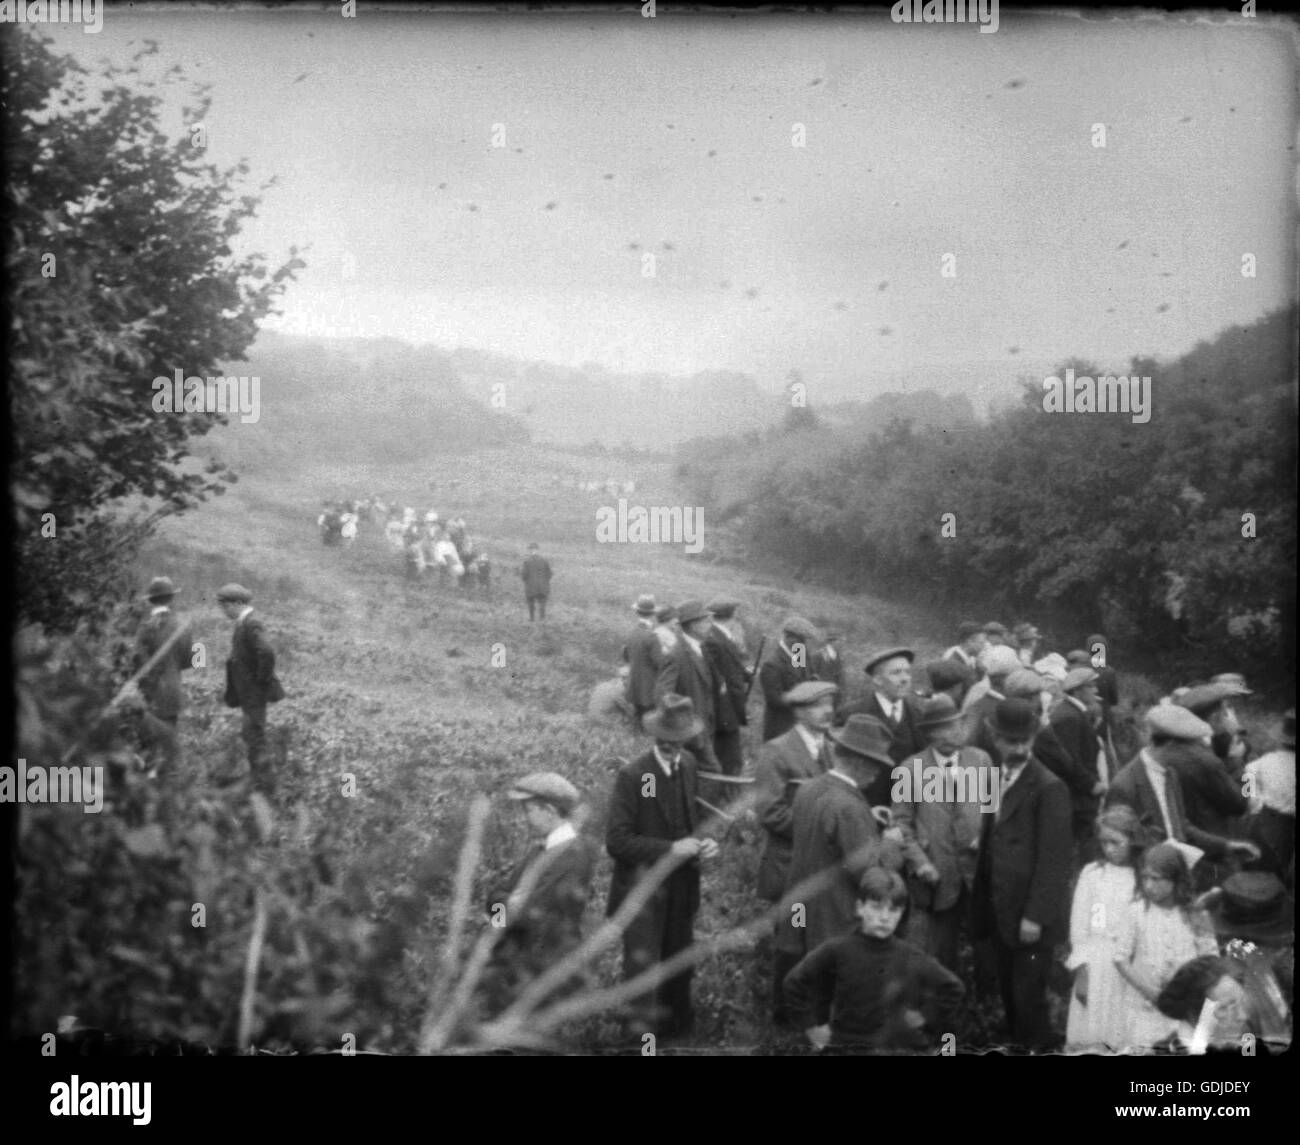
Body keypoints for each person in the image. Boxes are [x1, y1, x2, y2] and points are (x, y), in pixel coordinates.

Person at [605, 695, 719, 1039]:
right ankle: (637, 1042)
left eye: (678, 741)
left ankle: (675, 1037)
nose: (671, 748)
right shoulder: (635, 775)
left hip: (682, 888)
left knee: (678, 965)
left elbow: (689, 823)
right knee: (641, 975)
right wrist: (671, 848)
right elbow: (618, 842)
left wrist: (703, 844)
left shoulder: (687, 765)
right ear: (655, 736)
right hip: (642, 892)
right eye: (665, 741)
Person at [969, 698, 1073, 1050]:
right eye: (1011, 741)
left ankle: (1038, 1048)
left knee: (1029, 998)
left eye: (1025, 741)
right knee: (1010, 993)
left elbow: (1055, 861)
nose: (1018, 748)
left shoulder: (1049, 787)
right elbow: (990, 838)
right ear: (995, 738)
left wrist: (1035, 916)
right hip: (1000, 907)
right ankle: (1017, 1044)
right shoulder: (994, 777)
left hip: (1028, 916)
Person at [783, 866, 964, 1053]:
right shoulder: (836, 949)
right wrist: (812, 1028)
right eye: (876, 908)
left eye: (893, 910)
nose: (884, 917)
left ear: (901, 913)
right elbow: (794, 982)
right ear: (860, 908)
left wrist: (925, 1016)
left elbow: (953, 987)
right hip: (848, 1045)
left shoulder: (910, 955)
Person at [774, 715, 899, 973]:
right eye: (875, 765)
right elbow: (867, 874)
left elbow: (823, 830)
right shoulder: (850, 807)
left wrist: (866, 818)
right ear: (858, 762)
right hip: (833, 919)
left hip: (799, 911)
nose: (877, 775)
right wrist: (889, 844)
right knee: (831, 993)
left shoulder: (808, 789)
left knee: (798, 979)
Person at [479, 772, 598, 1019]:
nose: (526, 818)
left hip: (544, 972)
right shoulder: (542, 848)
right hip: (522, 964)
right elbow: (496, 897)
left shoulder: (572, 856)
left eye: (530, 810)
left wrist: (502, 909)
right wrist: (501, 912)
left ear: (549, 810)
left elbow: (528, 915)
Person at [753, 680, 838, 1023]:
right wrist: (820, 833)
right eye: (820, 705)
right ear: (801, 712)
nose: (829, 711)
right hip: (791, 866)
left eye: (831, 703)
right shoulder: (777, 751)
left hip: (822, 866)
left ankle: (813, 1010)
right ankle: (786, 1013)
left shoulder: (830, 748)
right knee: (792, 940)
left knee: (818, 937)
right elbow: (770, 812)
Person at [891, 694, 991, 973]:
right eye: (948, 726)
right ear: (931, 734)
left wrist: (983, 837)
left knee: (984, 943)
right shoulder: (909, 769)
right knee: (939, 949)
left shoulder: (981, 759)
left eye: (960, 724)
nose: (959, 731)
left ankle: (984, 1003)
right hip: (937, 874)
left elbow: (995, 811)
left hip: (977, 871)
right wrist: (920, 862)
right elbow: (900, 824)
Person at [1106, 704, 1260, 881]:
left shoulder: (1169, 773)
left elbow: (1180, 826)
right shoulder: (1125, 785)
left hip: (1177, 870)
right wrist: (1247, 772)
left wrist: (1226, 845)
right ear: (1172, 745)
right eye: (1194, 747)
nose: (1200, 753)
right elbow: (1243, 803)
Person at [1114, 842, 1219, 1050]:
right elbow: (1120, 958)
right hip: (1145, 1008)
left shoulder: (1195, 914)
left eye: (1156, 879)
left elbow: (1211, 959)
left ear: (1175, 879)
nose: (1149, 886)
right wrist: (1150, 991)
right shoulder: (1136, 912)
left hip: (1184, 1009)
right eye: (1144, 878)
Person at [1065, 804, 1145, 1051]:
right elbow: (1083, 927)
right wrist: (1082, 972)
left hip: (1130, 967)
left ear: (1132, 840)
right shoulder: (1094, 875)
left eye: (1116, 842)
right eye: (1104, 842)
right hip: (1098, 963)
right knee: (1093, 1032)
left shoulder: (1142, 878)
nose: (1109, 849)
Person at [837, 646, 924, 809]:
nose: (905, 679)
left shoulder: (919, 714)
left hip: (907, 810)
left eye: (907, 672)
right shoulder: (852, 714)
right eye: (896, 673)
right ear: (877, 680)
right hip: (865, 808)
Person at [217, 583, 284, 791]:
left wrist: (260, 681)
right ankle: (259, 780)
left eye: (225, 606)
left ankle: (266, 785)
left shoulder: (251, 623)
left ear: (237, 604)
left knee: (255, 737)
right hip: (249, 693)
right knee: (251, 735)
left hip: (254, 693)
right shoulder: (244, 623)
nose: (223, 611)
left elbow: (267, 652)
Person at [132, 576, 193, 776]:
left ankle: (151, 781)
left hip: (149, 693)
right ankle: (167, 783)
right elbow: (189, 661)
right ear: (171, 599)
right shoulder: (183, 626)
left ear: (151, 600)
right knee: (169, 740)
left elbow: (137, 662)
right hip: (173, 690)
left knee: (148, 742)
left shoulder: (144, 628)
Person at [1050, 666, 1109, 861]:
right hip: (1078, 794)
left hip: (1079, 792)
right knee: (1086, 842)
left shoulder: (1072, 712)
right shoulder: (1069, 717)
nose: (1096, 690)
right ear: (1077, 690)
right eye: (1091, 686)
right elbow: (1069, 761)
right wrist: (1092, 785)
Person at [655, 601, 722, 771]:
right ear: (693, 626)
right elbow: (663, 694)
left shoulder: (700, 648)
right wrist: (680, 726)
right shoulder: (677, 654)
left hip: (704, 725)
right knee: (712, 771)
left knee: (693, 774)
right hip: (689, 730)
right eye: (706, 621)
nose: (711, 625)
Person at [1243, 709, 1295, 878]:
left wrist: (1254, 802)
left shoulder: (1263, 762)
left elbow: (1248, 773)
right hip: (1284, 825)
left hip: (1264, 820)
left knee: (1259, 871)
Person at [703, 599, 750, 778]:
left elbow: (726, 666)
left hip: (728, 703)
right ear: (732, 616)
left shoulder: (721, 636)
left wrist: (744, 673)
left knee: (728, 751)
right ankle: (728, 789)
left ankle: (725, 786)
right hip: (724, 705)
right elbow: (715, 672)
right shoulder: (715, 639)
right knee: (729, 753)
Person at [759, 616, 821, 742]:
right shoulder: (772, 664)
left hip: (800, 724)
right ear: (787, 637)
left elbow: (806, 675)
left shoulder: (799, 652)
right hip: (781, 725)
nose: (803, 644)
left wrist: (815, 684)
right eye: (800, 639)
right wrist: (803, 698)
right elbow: (774, 699)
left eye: (804, 640)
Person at [623, 594, 662, 729]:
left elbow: (625, 656)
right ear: (653, 614)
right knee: (649, 719)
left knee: (638, 717)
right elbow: (660, 663)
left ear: (637, 612)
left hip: (634, 682)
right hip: (649, 685)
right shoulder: (652, 636)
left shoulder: (631, 631)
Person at [520, 542, 552, 621]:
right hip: (543, 587)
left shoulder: (527, 561)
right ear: (538, 550)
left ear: (530, 550)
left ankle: (532, 619)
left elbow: (524, 575)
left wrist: (526, 581)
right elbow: (549, 574)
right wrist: (545, 581)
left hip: (531, 587)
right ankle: (542, 620)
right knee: (542, 604)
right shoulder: (544, 561)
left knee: (531, 603)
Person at [811, 628, 845, 693]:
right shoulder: (818, 655)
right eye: (840, 640)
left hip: (835, 693)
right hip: (821, 693)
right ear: (832, 641)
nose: (841, 643)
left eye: (842, 641)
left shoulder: (839, 657)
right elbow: (812, 675)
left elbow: (840, 678)